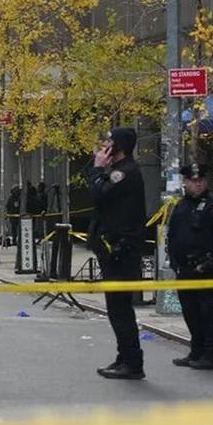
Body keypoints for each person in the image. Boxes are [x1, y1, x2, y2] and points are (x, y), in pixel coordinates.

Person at [88, 127, 148, 380]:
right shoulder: (118, 171)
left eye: (110, 141)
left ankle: (132, 362)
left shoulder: (124, 173)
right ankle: (125, 357)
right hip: (115, 250)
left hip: (122, 252)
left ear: (119, 146)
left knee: (120, 309)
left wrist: (98, 167)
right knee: (117, 310)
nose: (105, 144)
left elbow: (97, 196)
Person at [167, 163, 213, 371]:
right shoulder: (181, 206)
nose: (197, 184)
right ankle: (196, 351)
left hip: (206, 270)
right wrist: (175, 263)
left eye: (201, 180)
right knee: (190, 312)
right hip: (185, 269)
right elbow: (173, 236)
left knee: (207, 312)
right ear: (185, 183)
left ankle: (211, 355)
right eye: (193, 181)